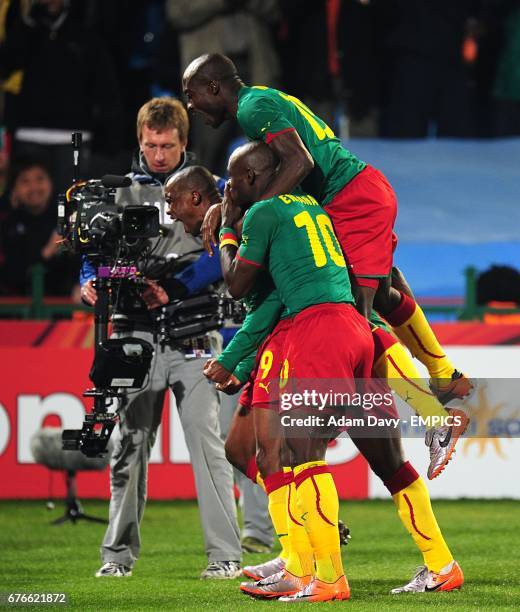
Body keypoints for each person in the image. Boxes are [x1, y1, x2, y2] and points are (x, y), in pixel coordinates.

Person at [167, 144, 464, 600]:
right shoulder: (310, 209)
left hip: (305, 338)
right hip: (347, 332)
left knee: (288, 457)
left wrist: (234, 359)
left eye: (177, 204)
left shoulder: (259, 217)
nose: (172, 215)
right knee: (261, 451)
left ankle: (314, 565)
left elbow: (262, 299)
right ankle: (431, 561)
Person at [181, 52, 472, 474]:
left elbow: (300, 162)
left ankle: (435, 417)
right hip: (354, 196)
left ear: (213, 88)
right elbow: (267, 167)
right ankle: (442, 373)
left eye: (191, 96)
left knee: (357, 317)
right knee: (384, 289)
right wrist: (230, 195)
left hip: (351, 199)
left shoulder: (252, 107)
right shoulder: (259, 103)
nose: (191, 106)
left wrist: (252, 215)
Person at [80, 97, 242, 579]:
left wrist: (173, 286)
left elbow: (225, 255)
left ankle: (226, 557)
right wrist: (89, 278)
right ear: (140, 141)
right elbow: (92, 246)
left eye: (167, 145)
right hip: (132, 334)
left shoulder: (210, 190)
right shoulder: (117, 193)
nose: (158, 154)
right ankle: (116, 558)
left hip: (193, 334)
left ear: (184, 143)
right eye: (150, 145)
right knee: (128, 445)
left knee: (208, 447)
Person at [0, 157, 79, 297]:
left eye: (40, 179)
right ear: (14, 189)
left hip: (63, 299)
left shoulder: (67, 216)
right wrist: (47, 251)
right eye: (25, 181)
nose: (34, 187)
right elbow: (13, 275)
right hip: (19, 303)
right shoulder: (8, 222)